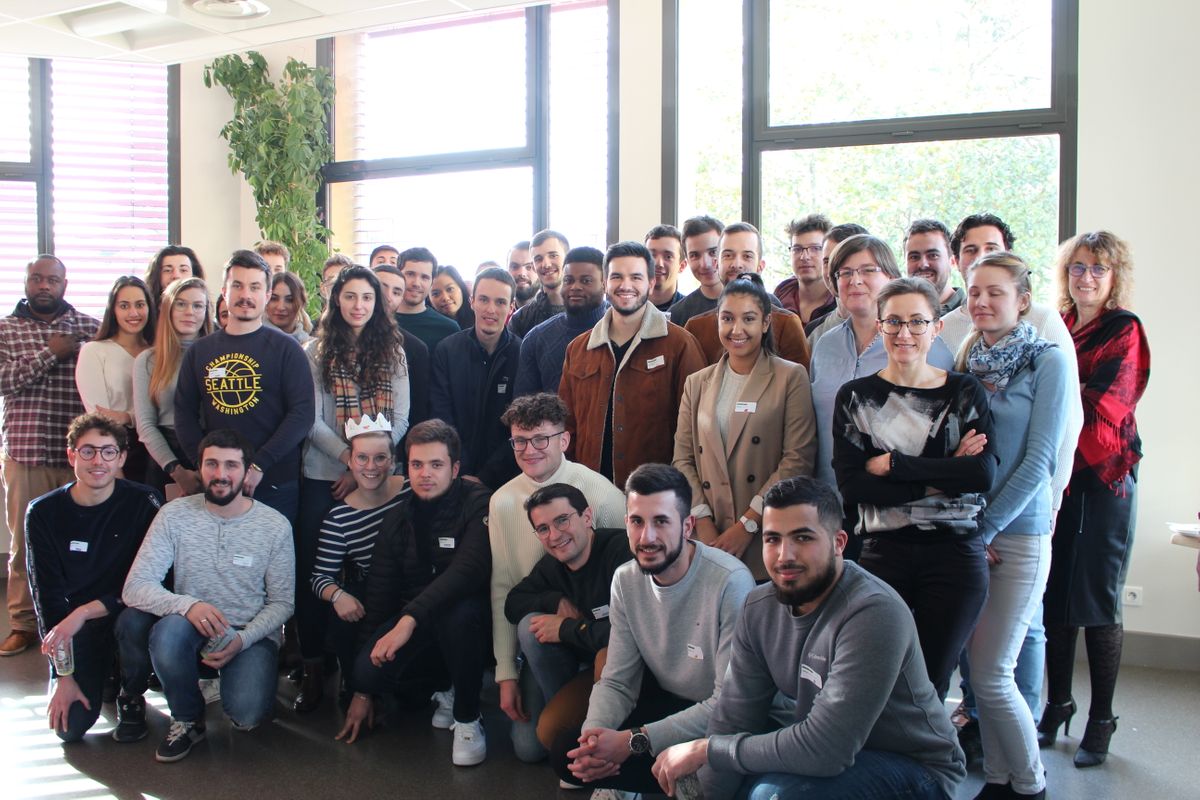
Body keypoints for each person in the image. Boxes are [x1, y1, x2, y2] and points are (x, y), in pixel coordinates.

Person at [650, 476, 965, 800]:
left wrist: (707, 749)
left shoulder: (873, 611)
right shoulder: (758, 608)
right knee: (707, 783)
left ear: (839, 543)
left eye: (802, 537)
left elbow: (826, 749)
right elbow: (734, 719)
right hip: (835, 760)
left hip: (918, 770)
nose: (784, 555)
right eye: (772, 539)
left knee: (774, 795)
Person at [833, 277, 997, 701]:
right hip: (882, 554)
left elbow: (980, 476)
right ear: (879, 327)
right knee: (879, 680)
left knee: (931, 683)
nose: (904, 333)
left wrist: (895, 466)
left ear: (936, 328)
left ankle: (931, 748)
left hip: (954, 556)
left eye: (917, 322)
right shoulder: (855, 397)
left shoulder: (963, 391)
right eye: (893, 322)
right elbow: (854, 487)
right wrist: (946, 473)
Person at [553, 463, 755, 795]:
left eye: (661, 521)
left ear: (687, 526)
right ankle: (663, 780)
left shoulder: (730, 582)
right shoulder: (625, 579)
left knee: (709, 775)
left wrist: (634, 740)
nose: (647, 537)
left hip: (722, 721)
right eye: (637, 521)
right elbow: (618, 680)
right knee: (568, 753)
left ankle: (684, 781)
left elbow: (728, 705)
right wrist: (594, 741)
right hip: (670, 702)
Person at [957, 252, 1075, 799]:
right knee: (979, 674)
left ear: (1023, 301)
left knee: (993, 673)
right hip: (972, 531)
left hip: (1018, 534)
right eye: (974, 291)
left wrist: (985, 529)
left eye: (995, 292)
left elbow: (1040, 461)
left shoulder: (1047, 362)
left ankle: (1030, 784)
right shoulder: (967, 357)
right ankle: (999, 780)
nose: (981, 301)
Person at [1038, 231, 1150, 769]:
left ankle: (1102, 718)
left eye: (1098, 269)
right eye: (1078, 267)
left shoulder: (1124, 328)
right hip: (1057, 477)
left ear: (1114, 276)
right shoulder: (1057, 324)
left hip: (1103, 480)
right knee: (1054, 598)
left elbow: (1104, 407)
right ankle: (1058, 702)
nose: (1086, 277)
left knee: (1099, 605)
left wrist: (1049, 438)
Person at [118, 428, 295, 762]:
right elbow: (135, 586)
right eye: (211, 464)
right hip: (191, 626)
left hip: (248, 635)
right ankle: (187, 719)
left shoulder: (275, 526)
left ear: (247, 471)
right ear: (199, 468)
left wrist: (243, 640)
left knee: (247, 715)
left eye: (231, 465)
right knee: (167, 633)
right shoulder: (174, 515)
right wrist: (188, 605)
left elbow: (283, 602)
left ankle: (232, 681)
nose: (220, 474)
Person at [340, 421, 492, 767]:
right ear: (406, 468)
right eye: (417, 464)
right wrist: (362, 691)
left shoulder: (478, 502)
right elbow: (379, 594)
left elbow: (467, 571)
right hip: (424, 624)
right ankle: (446, 685)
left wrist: (408, 620)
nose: (425, 474)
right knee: (366, 671)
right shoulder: (398, 518)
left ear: (455, 468)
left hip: (476, 625)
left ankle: (468, 717)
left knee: (459, 614)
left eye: (436, 464)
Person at [488, 393, 628, 763]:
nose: (529, 450)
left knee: (553, 739)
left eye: (541, 439)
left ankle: (578, 729)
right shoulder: (502, 501)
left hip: (606, 636)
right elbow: (504, 589)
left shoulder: (602, 495)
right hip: (549, 645)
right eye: (520, 441)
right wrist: (506, 673)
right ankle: (567, 715)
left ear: (564, 440)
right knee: (529, 749)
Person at [296, 265, 411, 711]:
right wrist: (349, 459)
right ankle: (313, 665)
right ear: (336, 301)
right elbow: (310, 419)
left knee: (379, 569)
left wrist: (369, 464)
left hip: (378, 475)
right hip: (325, 473)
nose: (358, 305)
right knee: (316, 568)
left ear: (377, 303)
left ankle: (368, 667)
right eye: (350, 296)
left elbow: (401, 418)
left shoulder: (394, 350)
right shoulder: (314, 351)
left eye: (367, 297)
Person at [26, 414, 162, 742]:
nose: (98, 461)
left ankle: (131, 693)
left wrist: (87, 610)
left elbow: (154, 580)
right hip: (76, 625)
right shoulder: (42, 512)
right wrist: (63, 676)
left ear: (122, 458)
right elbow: (47, 598)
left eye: (108, 452)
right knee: (69, 729)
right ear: (71, 455)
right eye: (87, 451)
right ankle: (102, 672)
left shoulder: (144, 502)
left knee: (134, 623)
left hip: (125, 609)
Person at [674, 274, 817, 580]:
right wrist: (703, 522)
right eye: (727, 318)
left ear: (766, 323)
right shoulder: (697, 383)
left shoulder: (790, 377)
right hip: (708, 538)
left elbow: (798, 459)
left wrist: (748, 524)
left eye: (748, 319)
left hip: (766, 533)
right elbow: (682, 459)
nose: (736, 330)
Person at [0, 255, 99, 656]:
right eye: (37, 279)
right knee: (25, 543)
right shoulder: (5, 330)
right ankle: (23, 623)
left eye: (52, 280)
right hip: (26, 455)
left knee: (80, 542)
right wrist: (50, 354)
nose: (44, 286)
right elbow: (3, 381)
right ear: (26, 282)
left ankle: (77, 622)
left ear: (64, 284)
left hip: (81, 459)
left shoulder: (89, 328)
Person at [175, 249, 315, 522]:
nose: (245, 295)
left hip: (274, 479)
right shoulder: (200, 352)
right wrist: (205, 465)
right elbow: (183, 413)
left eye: (255, 287)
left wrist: (260, 464)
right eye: (237, 286)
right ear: (224, 292)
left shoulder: (287, 349)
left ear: (267, 294)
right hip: (218, 481)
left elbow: (302, 414)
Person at [809, 235, 954, 497]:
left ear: (891, 277)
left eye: (867, 270)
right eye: (845, 273)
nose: (855, 280)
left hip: (897, 499)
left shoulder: (923, 346)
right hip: (827, 498)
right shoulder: (824, 344)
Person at [559, 241, 706, 486]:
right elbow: (567, 425)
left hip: (656, 493)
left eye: (636, 277)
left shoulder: (680, 344)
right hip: (590, 491)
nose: (625, 285)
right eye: (616, 276)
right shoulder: (579, 349)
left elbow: (696, 429)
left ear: (651, 283)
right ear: (605, 283)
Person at [503, 483, 633, 757]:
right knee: (530, 749)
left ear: (587, 517)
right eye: (543, 529)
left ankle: (599, 742)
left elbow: (630, 635)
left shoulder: (622, 551)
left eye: (562, 520)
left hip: (627, 665)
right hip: (579, 663)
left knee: (606, 656)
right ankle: (566, 710)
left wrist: (566, 628)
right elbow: (513, 603)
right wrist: (553, 601)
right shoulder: (552, 566)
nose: (554, 535)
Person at [309, 415, 409, 709]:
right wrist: (337, 595)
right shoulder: (339, 518)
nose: (370, 466)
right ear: (350, 462)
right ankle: (356, 686)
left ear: (392, 461)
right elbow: (320, 577)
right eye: (362, 458)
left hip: (416, 586)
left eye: (380, 458)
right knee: (343, 619)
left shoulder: (410, 490)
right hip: (377, 594)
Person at [430, 267, 520, 488]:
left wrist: (486, 476)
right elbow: (442, 417)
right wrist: (462, 470)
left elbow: (521, 424)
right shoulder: (447, 350)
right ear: (472, 301)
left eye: (500, 302)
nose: (491, 309)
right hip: (454, 473)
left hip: (506, 477)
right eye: (483, 299)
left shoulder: (522, 353)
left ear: (511, 307)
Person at [133, 277, 213, 496]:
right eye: (181, 304)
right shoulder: (148, 360)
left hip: (213, 455)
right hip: (166, 459)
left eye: (198, 305)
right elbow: (145, 425)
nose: (190, 312)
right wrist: (178, 472)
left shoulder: (220, 357)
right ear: (168, 309)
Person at [75, 275, 157, 483]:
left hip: (158, 447)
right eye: (124, 306)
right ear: (113, 310)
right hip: (117, 447)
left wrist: (127, 416)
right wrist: (115, 470)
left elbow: (164, 409)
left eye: (140, 305)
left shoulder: (158, 353)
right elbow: (100, 417)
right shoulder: (94, 351)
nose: (133, 313)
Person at [514, 246, 608, 397]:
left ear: (605, 283)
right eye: (568, 280)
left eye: (586, 281)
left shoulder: (622, 329)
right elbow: (524, 406)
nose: (575, 287)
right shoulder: (536, 339)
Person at [804, 222, 869, 345]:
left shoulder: (894, 328)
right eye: (827, 262)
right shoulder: (813, 332)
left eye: (842, 261)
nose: (832, 270)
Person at [774, 213, 836, 325]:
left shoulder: (840, 302)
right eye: (797, 249)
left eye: (815, 248)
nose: (804, 257)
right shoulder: (780, 296)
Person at [394, 246, 460, 353]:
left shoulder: (448, 329)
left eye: (424, 277)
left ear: (432, 282)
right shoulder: (378, 321)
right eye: (410, 274)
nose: (416, 283)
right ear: (397, 275)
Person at [509, 229, 569, 337]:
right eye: (538, 259)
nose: (546, 264)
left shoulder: (589, 309)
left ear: (568, 258)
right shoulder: (520, 320)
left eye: (553, 255)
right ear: (533, 266)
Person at [668, 215, 725, 328]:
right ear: (687, 260)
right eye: (695, 255)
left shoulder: (757, 303)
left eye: (713, 252)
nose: (705, 264)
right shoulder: (676, 315)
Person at [904, 219, 965, 316]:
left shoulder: (973, 315)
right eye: (914, 257)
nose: (923, 265)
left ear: (952, 260)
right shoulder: (895, 315)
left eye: (933, 255)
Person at [144, 245, 205, 311]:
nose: (176, 276)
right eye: (168, 270)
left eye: (183, 270)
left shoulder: (203, 311)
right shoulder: (146, 311)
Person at [646, 224, 686, 311]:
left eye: (668, 257)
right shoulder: (626, 309)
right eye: (652, 255)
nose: (658, 263)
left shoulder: (692, 312)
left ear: (682, 266)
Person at [266, 271, 311, 343]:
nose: (281, 307)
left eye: (290, 300)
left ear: (301, 303)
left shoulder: (311, 345)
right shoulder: (252, 339)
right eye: (274, 298)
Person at [430, 265, 475, 330]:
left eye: (450, 289)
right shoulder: (429, 327)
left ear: (461, 288)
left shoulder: (478, 316)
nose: (445, 298)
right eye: (436, 294)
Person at [507, 240, 537, 308]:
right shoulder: (500, 312)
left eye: (529, 267)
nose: (521, 273)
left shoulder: (558, 310)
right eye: (514, 266)